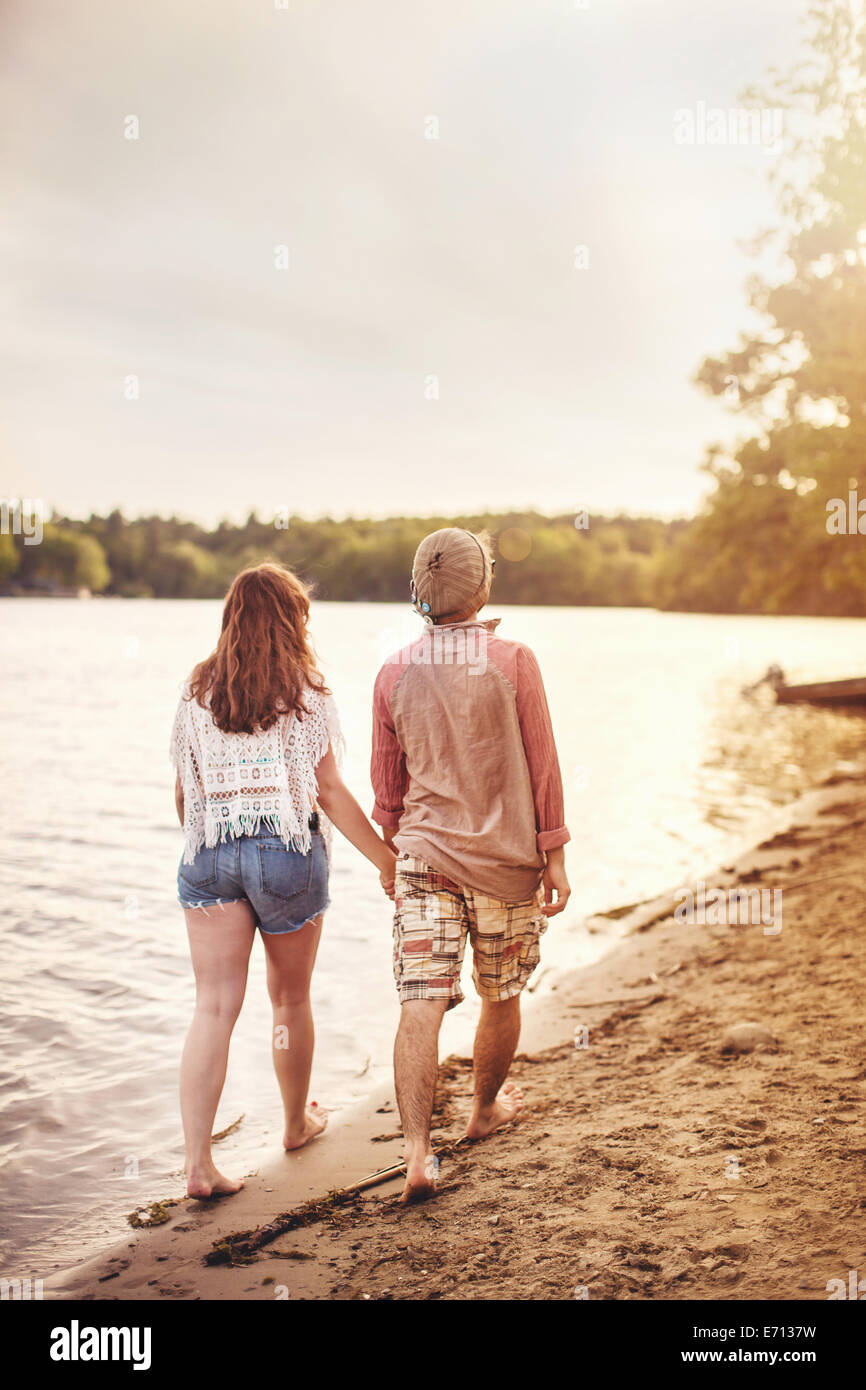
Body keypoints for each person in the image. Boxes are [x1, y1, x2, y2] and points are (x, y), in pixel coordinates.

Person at [171, 561, 397, 1198]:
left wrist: (220, 844)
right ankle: (296, 1124)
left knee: (213, 1007)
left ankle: (197, 1166)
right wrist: (384, 859)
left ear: (231, 618)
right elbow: (327, 790)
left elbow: (186, 797)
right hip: (285, 854)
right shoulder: (306, 693)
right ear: (294, 621)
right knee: (288, 999)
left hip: (209, 855)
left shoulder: (196, 691)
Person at [371, 528, 571, 1203]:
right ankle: (482, 1114)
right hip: (505, 861)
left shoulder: (393, 672)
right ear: (483, 586)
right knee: (500, 992)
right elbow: (543, 766)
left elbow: (387, 790)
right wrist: (556, 855)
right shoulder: (514, 660)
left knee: (419, 1001)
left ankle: (418, 1154)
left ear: (418, 594)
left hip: (423, 857)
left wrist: (391, 857)